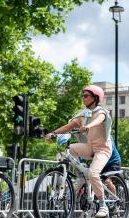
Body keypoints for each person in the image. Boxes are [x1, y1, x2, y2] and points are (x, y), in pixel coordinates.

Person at [46, 85, 112, 218]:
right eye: (82, 95)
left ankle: (103, 206)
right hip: (90, 146)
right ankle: (81, 175)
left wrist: (87, 126)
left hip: (103, 149)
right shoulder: (83, 114)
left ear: (95, 98)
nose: (83, 98)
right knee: (68, 150)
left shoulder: (102, 112)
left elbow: (99, 120)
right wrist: (53, 133)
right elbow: (68, 126)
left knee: (93, 173)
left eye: (86, 96)